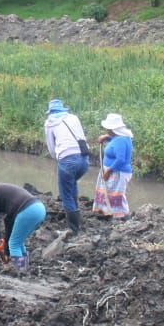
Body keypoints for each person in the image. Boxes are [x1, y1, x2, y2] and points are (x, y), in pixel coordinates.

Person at [44, 98, 89, 234]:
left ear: (50, 111)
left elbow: (51, 148)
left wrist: (58, 158)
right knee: (72, 185)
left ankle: (73, 229)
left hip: (67, 160)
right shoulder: (73, 118)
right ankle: (78, 221)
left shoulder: (50, 123)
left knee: (66, 195)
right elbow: (81, 137)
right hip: (84, 159)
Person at [0, 178, 47, 271]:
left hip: (28, 210)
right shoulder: (3, 195)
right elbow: (9, 228)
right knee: (18, 242)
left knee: (14, 244)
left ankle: (20, 271)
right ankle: (24, 268)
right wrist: (7, 253)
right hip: (40, 208)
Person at [94, 112, 134, 219]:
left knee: (116, 194)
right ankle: (109, 214)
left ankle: (121, 218)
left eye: (108, 129)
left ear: (113, 129)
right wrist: (107, 137)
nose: (106, 130)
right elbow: (115, 139)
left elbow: (120, 160)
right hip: (114, 170)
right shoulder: (121, 137)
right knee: (109, 192)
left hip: (117, 172)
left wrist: (109, 171)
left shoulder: (120, 140)